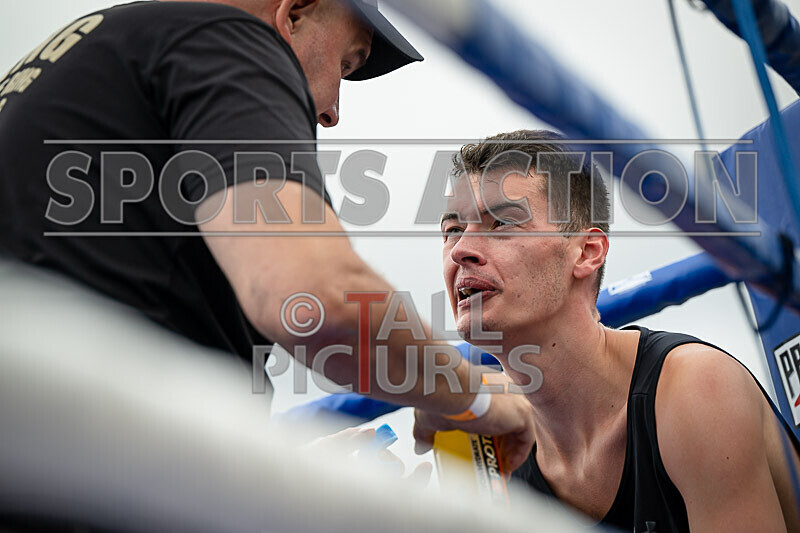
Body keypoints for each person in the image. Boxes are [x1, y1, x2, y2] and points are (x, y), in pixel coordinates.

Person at [0, 0, 535, 473]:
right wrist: (470, 396)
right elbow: (318, 299)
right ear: (294, 12)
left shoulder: (87, 56)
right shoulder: (226, 43)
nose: (331, 110)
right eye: (344, 65)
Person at [414, 129, 800, 532]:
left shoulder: (696, 390)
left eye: (502, 223)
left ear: (586, 252)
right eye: (452, 230)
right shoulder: (490, 449)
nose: (461, 250)